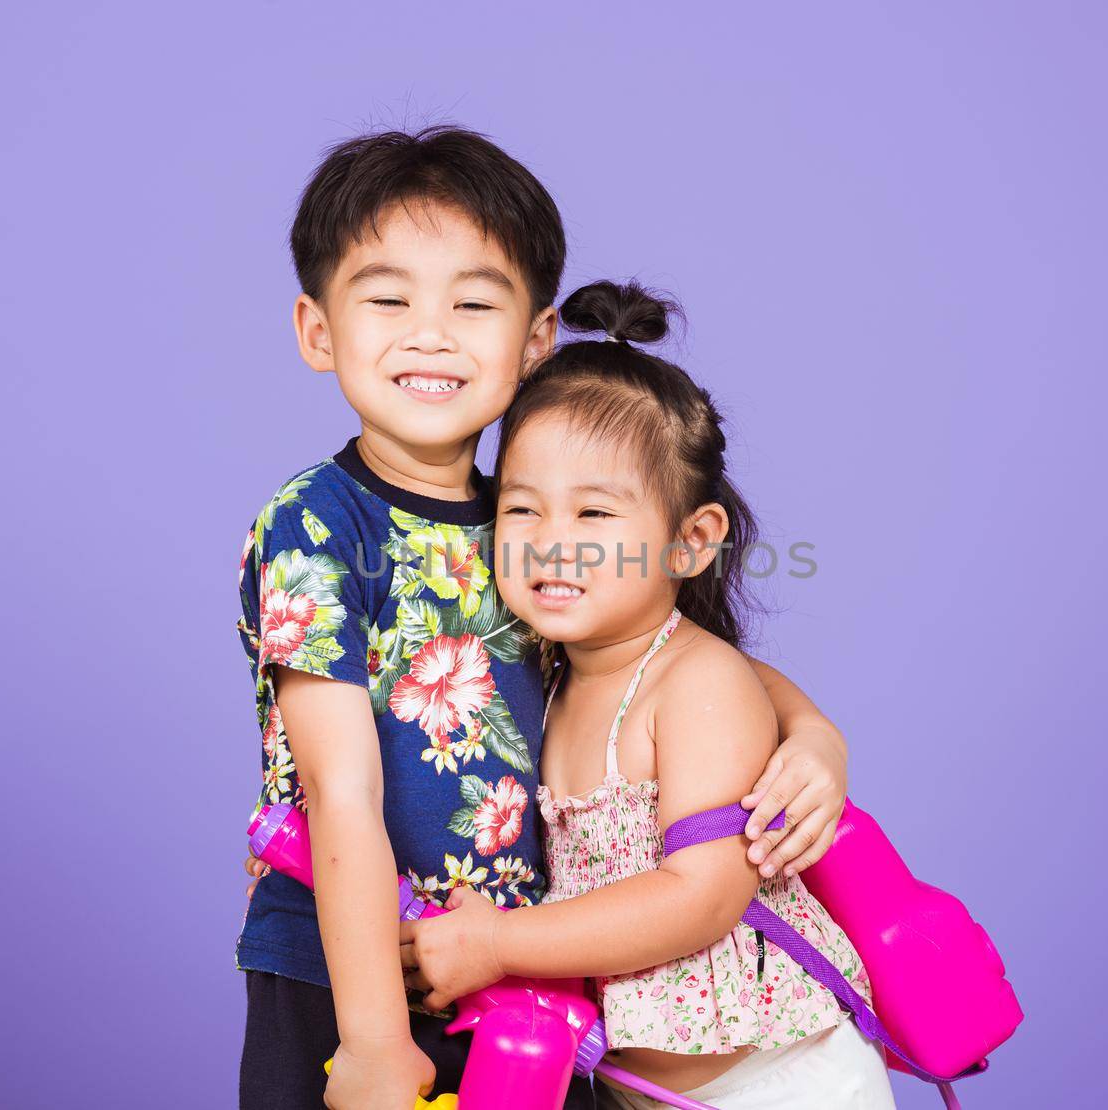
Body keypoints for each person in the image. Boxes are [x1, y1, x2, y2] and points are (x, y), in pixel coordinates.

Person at [236, 127, 853, 1109]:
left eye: (472, 303)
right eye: (388, 298)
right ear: (318, 330)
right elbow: (340, 793)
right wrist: (371, 1041)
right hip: (350, 969)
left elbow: (656, 648)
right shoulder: (318, 524)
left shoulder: (529, 520)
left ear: (535, 341)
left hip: (523, 971)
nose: (429, 333)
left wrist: (811, 731)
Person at [399, 282, 897, 1109]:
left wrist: (497, 944)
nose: (553, 542)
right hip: (641, 1093)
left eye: (595, 513)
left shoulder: (697, 685)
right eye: (522, 508)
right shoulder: (545, 671)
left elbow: (698, 896)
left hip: (782, 1083)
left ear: (691, 542)